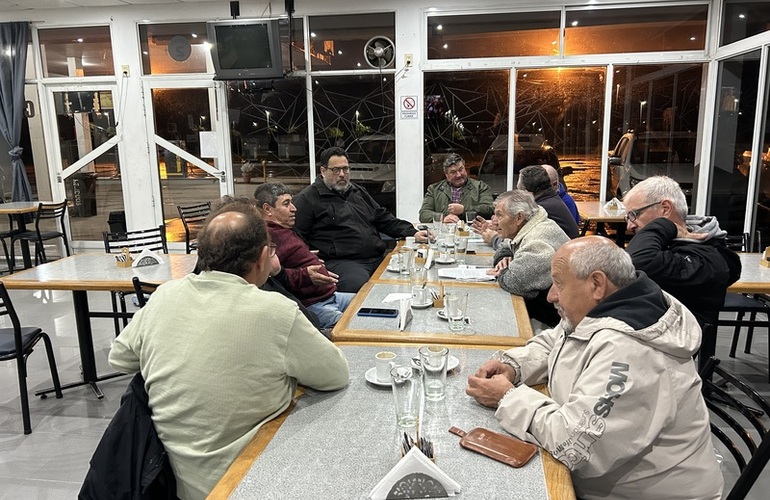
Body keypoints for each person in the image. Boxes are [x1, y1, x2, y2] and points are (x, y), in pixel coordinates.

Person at [108, 200, 349, 500]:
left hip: (174, 479)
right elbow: (336, 375)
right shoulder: (274, 311)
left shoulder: (165, 294)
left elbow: (120, 357)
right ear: (262, 257)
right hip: (254, 474)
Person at [466, 236, 723, 500]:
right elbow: (557, 340)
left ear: (597, 284)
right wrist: (513, 366)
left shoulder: (628, 349)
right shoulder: (612, 306)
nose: (551, 294)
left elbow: (577, 444)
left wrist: (507, 396)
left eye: (558, 283)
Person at [623, 175, 741, 364]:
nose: (629, 225)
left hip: (658, 355)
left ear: (665, 209)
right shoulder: (668, 245)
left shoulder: (705, 256)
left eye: (634, 215)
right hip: (642, 340)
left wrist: (664, 225)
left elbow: (637, 262)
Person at [293, 146, 428, 292]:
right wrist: (307, 262)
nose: (342, 175)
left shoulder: (357, 191)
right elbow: (296, 237)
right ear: (323, 171)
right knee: (363, 289)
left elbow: (382, 217)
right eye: (336, 170)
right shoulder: (307, 199)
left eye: (346, 169)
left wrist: (412, 232)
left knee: (411, 276)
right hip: (344, 263)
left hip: (376, 256)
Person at [254, 182, 354, 330]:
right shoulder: (269, 237)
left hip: (331, 295)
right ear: (268, 209)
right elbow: (273, 277)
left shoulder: (284, 230)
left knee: (370, 300)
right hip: (314, 305)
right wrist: (305, 274)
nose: (294, 208)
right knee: (356, 327)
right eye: (286, 204)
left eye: (292, 202)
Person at [486, 190, 569, 326]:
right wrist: (505, 258)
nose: (494, 221)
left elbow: (514, 281)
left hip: (557, 320)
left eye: (499, 216)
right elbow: (504, 247)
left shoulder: (537, 240)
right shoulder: (529, 226)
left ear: (519, 218)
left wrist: (504, 270)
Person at [418, 153, 494, 223]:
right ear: (446, 174)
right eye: (453, 172)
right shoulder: (434, 189)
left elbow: (489, 209)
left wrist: (464, 209)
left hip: (473, 231)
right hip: (444, 234)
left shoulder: (480, 187)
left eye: (461, 170)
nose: (458, 175)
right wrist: (443, 218)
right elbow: (423, 214)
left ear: (465, 168)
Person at [517, 164, 579, 238]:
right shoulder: (552, 200)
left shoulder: (540, 209)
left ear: (527, 192)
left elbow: (520, 234)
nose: (518, 195)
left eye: (519, 190)